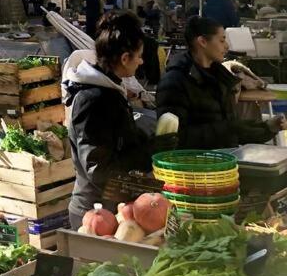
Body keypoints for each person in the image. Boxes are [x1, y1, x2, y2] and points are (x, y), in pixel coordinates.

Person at [63, 12, 176, 228]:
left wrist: (148, 141)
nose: (142, 61)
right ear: (125, 58)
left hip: (113, 205)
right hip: (95, 214)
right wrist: (148, 151)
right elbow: (98, 169)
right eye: (139, 56)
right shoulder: (93, 99)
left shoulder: (110, 91)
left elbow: (116, 143)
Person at [157, 16, 285, 149]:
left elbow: (232, 129)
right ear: (202, 42)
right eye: (222, 40)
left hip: (225, 160)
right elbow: (173, 139)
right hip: (196, 165)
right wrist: (227, 128)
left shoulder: (220, 76)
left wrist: (267, 128)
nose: (227, 46)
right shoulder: (174, 82)